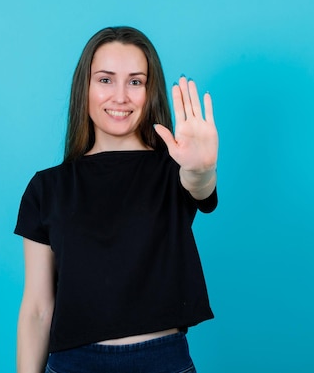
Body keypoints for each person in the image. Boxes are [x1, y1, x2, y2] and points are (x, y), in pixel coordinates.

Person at [14, 26, 218, 373]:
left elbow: (199, 187)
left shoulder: (174, 171)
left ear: (149, 91)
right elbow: (37, 308)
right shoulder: (47, 188)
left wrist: (201, 169)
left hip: (162, 362)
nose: (120, 96)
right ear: (86, 88)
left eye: (135, 81)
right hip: (73, 365)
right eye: (106, 80)